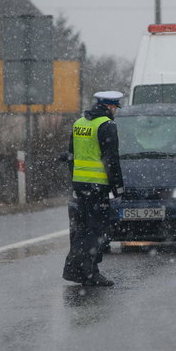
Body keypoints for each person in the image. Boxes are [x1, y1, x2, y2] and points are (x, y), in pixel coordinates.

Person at [62, 91, 125, 287]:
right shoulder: (106, 125)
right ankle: (87, 272)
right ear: (110, 107)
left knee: (83, 229)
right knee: (98, 230)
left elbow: (71, 156)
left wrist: (75, 181)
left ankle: (80, 270)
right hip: (98, 186)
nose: (115, 111)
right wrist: (118, 187)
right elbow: (111, 160)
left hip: (81, 185)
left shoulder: (79, 123)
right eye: (115, 107)